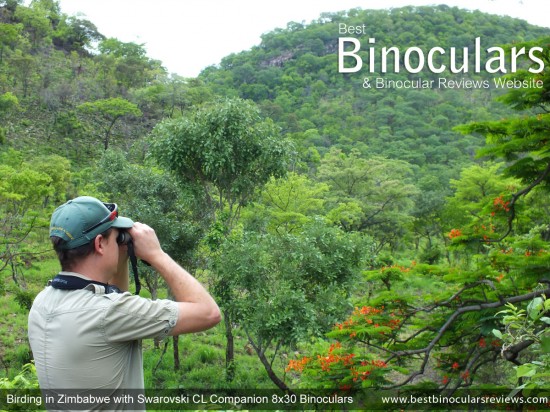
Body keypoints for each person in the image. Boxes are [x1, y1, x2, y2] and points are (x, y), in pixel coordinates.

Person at [28, 196, 221, 410]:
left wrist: (119, 256)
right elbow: (208, 312)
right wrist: (157, 254)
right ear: (99, 243)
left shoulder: (42, 302)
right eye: (114, 237)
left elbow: (114, 299)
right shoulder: (108, 314)